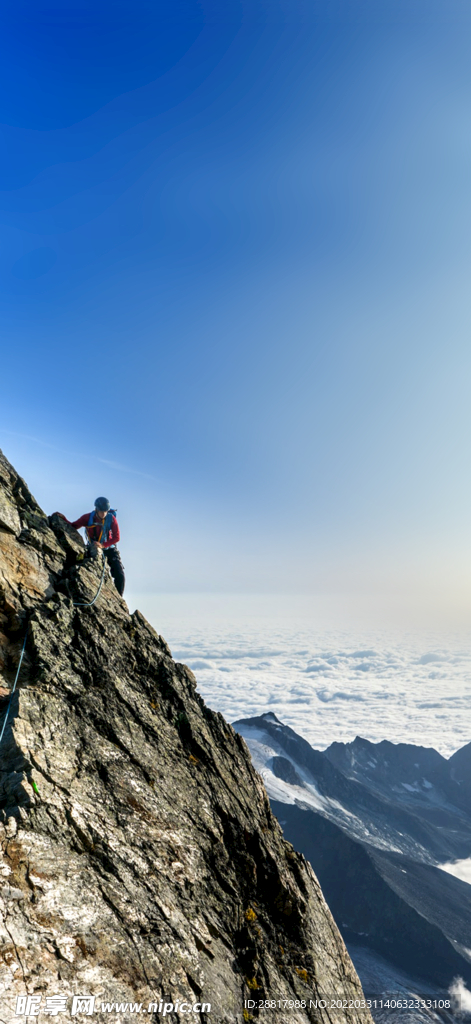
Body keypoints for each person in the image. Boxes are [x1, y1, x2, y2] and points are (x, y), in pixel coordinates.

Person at [54, 497, 125, 596]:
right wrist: (64, 519)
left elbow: (116, 537)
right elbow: (74, 526)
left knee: (120, 575)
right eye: (101, 511)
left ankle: (119, 599)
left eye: (105, 511)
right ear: (96, 509)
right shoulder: (87, 518)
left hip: (109, 548)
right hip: (94, 548)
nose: (104, 514)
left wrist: (103, 545)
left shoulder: (111, 519)